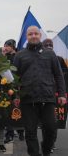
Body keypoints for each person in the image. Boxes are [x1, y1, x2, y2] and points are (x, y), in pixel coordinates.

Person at [13, 26, 66, 156]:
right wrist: (15, 95)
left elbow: (58, 75)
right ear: (27, 36)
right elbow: (14, 78)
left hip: (47, 97)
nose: (33, 36)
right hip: (27, 99)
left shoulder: (50, 53)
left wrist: (62, 94)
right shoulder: (19, 55)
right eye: (30, 34)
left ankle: (46, 149)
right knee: (30, 131)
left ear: (40, 35)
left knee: (51, 128)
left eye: (36, 34)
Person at [42, 38, 67, 153]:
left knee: (54, 122)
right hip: (43, 95)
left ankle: (51, 143)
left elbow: (63, 77)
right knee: (44, 122)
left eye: (50, 44)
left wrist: (63, 93)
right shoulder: (39, 59)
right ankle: (46, 143)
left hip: (57, 95)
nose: (48, 45)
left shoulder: (60, 59)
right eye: (46, 44)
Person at [3, 39, 25, 143]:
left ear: (13, 46)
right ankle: (9, 134)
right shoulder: (4, 57)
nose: (6, 47)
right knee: (8, 110)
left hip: (18, 86)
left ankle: (21, 131)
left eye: (8, 45)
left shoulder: (19, 56)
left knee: (18, 108)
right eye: (5, 45)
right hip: (6, 86)